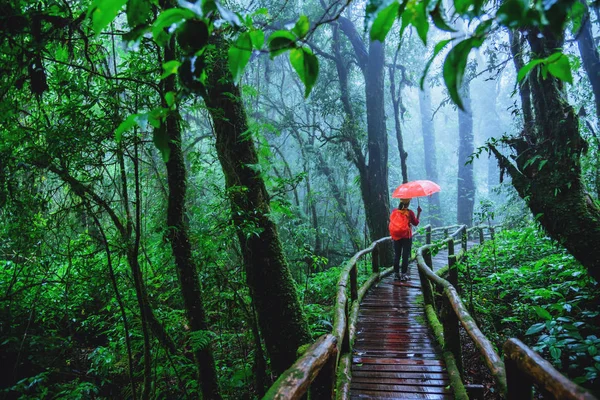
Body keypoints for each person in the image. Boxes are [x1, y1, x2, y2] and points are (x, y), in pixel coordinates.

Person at [388, 198, 421, 281]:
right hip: (406, 236)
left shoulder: (395, 211)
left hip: (396, 236)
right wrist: (419, 213)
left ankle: (396, 274)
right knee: (405, 255)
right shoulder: (410, 213)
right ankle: (403, 275)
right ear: (408, 203)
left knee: (397, 255)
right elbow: (416, 223)